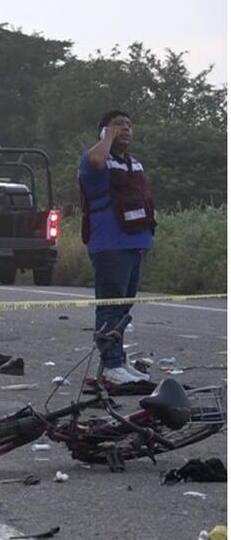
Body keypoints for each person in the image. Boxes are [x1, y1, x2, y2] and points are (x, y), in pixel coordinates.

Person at [79, 110, 156, 385]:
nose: (126, 128)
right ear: (104, 131)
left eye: (129, 124)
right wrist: (107, 136)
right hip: (110, 245)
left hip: (135, 244)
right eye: (118, 125)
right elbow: (97, 159)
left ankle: (118, 362)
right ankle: (111, 366)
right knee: (110, 307)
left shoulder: (134, 164)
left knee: (123, 310)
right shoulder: (96, 161)